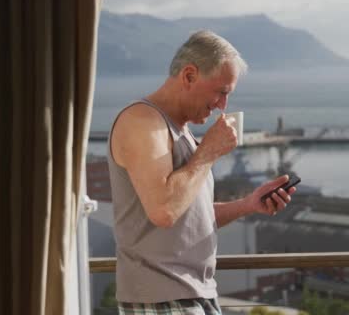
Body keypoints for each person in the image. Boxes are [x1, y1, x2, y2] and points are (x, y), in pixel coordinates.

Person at [107, 30, 297, 315]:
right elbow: (164, 210)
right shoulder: (142, 121)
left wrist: (247, 204)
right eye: (221, 92)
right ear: (189, 76)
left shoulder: (182, 132)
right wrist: (208, 151)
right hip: (161, 298)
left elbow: (189, 216)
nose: (223, 105)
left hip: (195, 295)